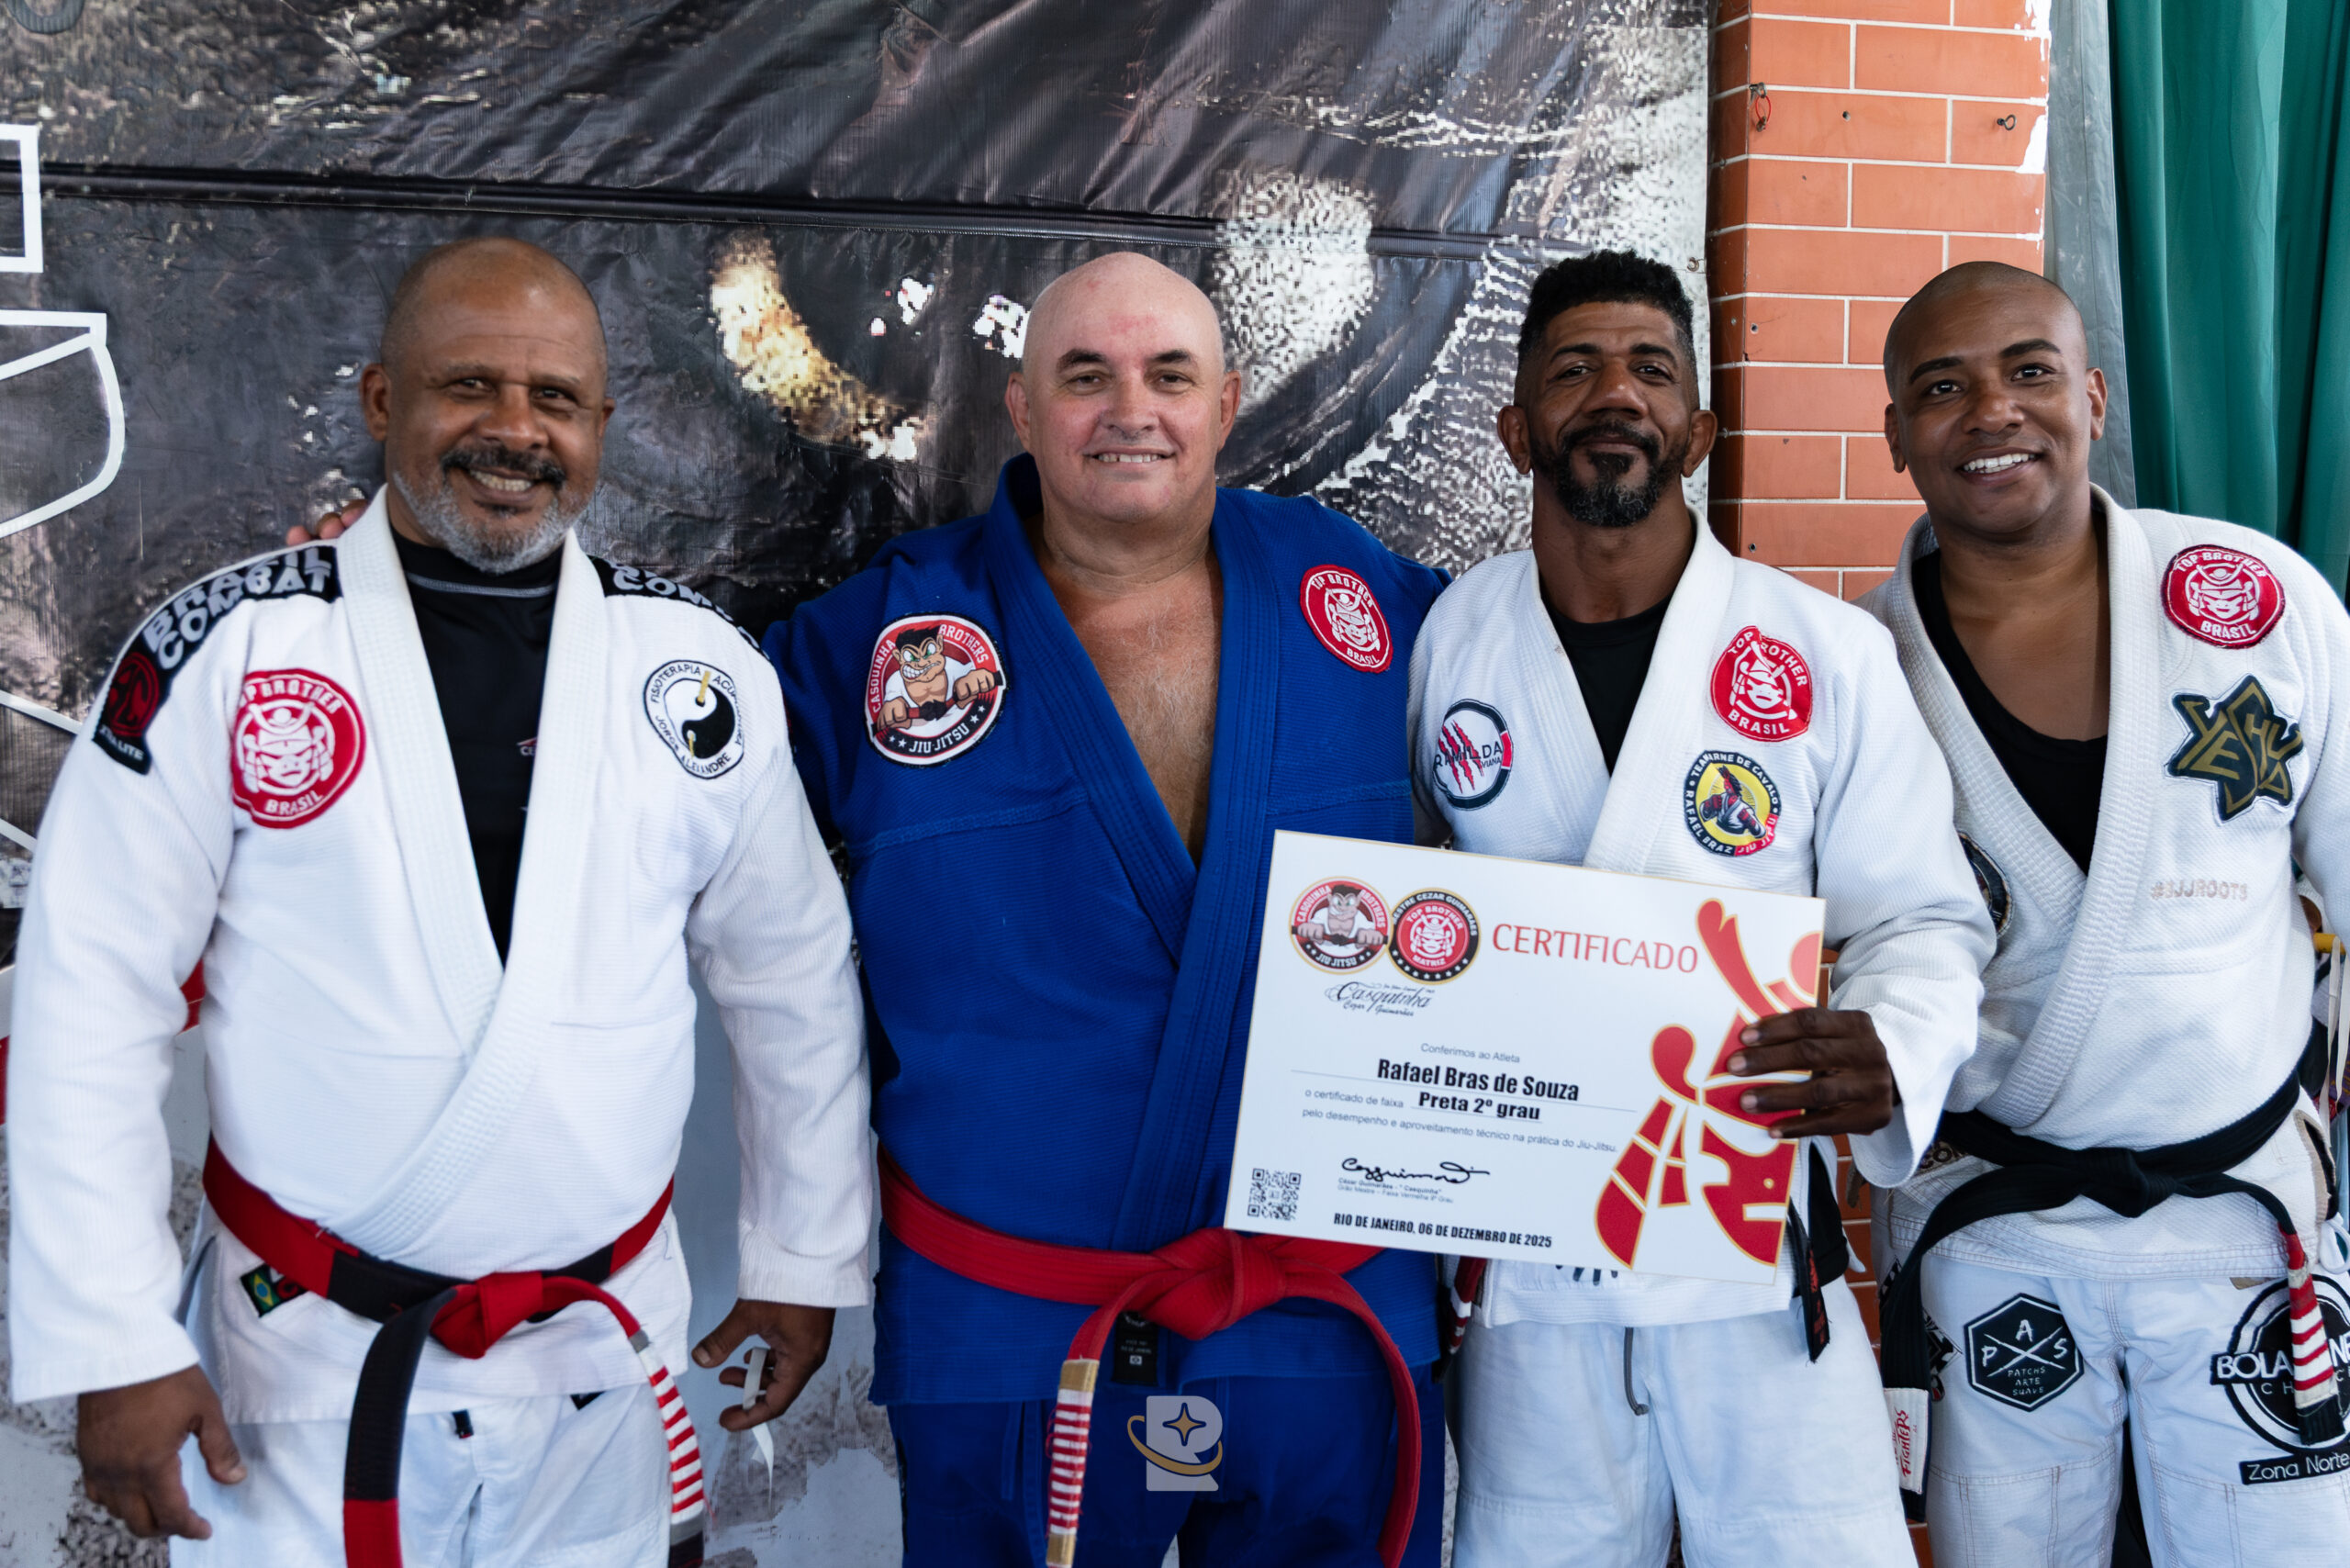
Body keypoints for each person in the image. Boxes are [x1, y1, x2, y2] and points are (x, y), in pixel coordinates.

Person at [6, 238, 873, 1567]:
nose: (515, 431)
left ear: (602, 425)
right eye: (470, 386)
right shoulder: (230, 649)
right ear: (381, 401)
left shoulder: (693, 670)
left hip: (600, 1361)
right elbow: (93, 989)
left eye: (556, 399)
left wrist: (802, 1260)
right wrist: (114, 1337)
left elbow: (791, 977)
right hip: (300, 1359)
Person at [767, 252, 1449, 1567]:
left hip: (1324, 1304)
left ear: (1226, 404)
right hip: (1017, 1320)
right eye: (1087, 376)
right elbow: (672, 822)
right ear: (1022, 409)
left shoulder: (1361, 600)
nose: (1132, 409)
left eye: (1170, 375)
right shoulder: (882, 643)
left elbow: (1546, 753)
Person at [1413, 250, 1994, 1567]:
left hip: (1752, 1244)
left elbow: (1920, 918)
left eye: (1651, 369)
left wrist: (1892, 1043)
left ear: (1700, 429)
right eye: (1573, 370)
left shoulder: (1821, 651)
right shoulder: (1450, 639)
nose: (1615, 394)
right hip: (1526, 1265)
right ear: (1515, 429)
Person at [1858, 261, 2350, 1562]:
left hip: (2244, 1214)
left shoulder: (2254, 602)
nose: (1993, 411)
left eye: (2029, 371)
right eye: (1942, 389)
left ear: (2091, 395)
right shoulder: (1859, 666)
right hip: (1995, 1227)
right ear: (1896, 432)